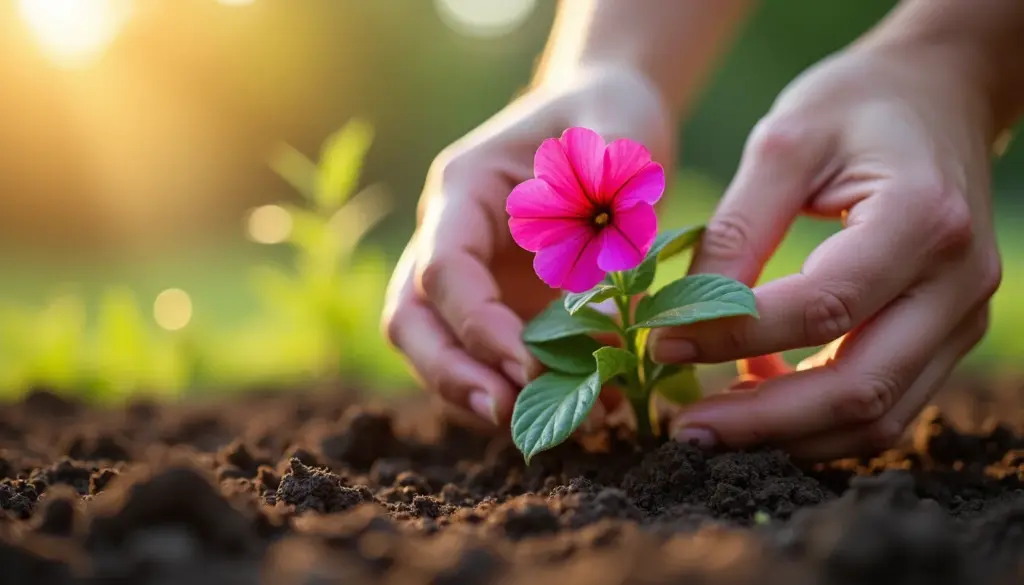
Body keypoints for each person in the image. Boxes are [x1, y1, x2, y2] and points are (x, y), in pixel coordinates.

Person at [381, 0, 1024, 459]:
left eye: (606, 214)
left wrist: (959, 53)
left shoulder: (612, 222)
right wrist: (609, 62)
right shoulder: (593, 225)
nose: (602, 217)